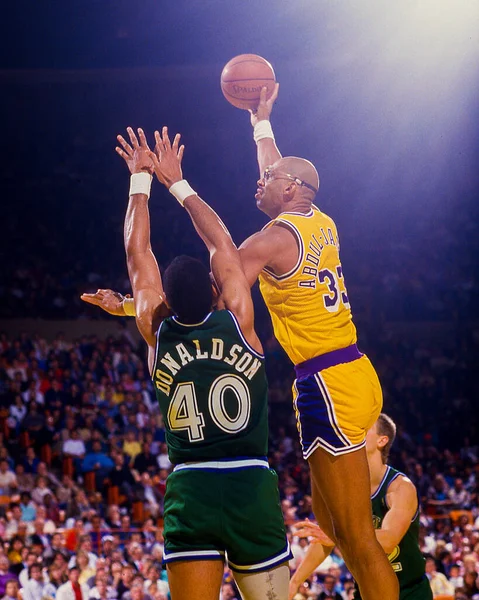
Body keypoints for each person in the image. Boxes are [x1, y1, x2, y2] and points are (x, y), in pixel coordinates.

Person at [85, 93, 397, 599]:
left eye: (270, 179)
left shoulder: (263, 247)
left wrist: (128, 303)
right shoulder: (319, 221)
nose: (262, 178)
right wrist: (260, 122)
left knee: (358, 541)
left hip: (320, 387)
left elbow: (183, 263)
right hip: (349, 372)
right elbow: (239, 229)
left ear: (292, 188)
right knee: (336, 532)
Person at [82, 126, 291, 600]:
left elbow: (138, 255)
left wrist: (139, 182)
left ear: (164, 303)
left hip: (190, 490)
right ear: (218, 290)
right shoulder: (238, 320)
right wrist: (176, 182)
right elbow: (221, 243)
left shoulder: (156, 328)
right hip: (248, 483)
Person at [289, 414, 433, 600]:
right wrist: (294, 583)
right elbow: (325, 541)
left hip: (408, 591)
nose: (354, 432)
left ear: (382, 440)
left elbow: (389, 540)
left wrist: (335, 535)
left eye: (364, 429)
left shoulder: (400, 487)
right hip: (366, 589)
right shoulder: (345, 487)